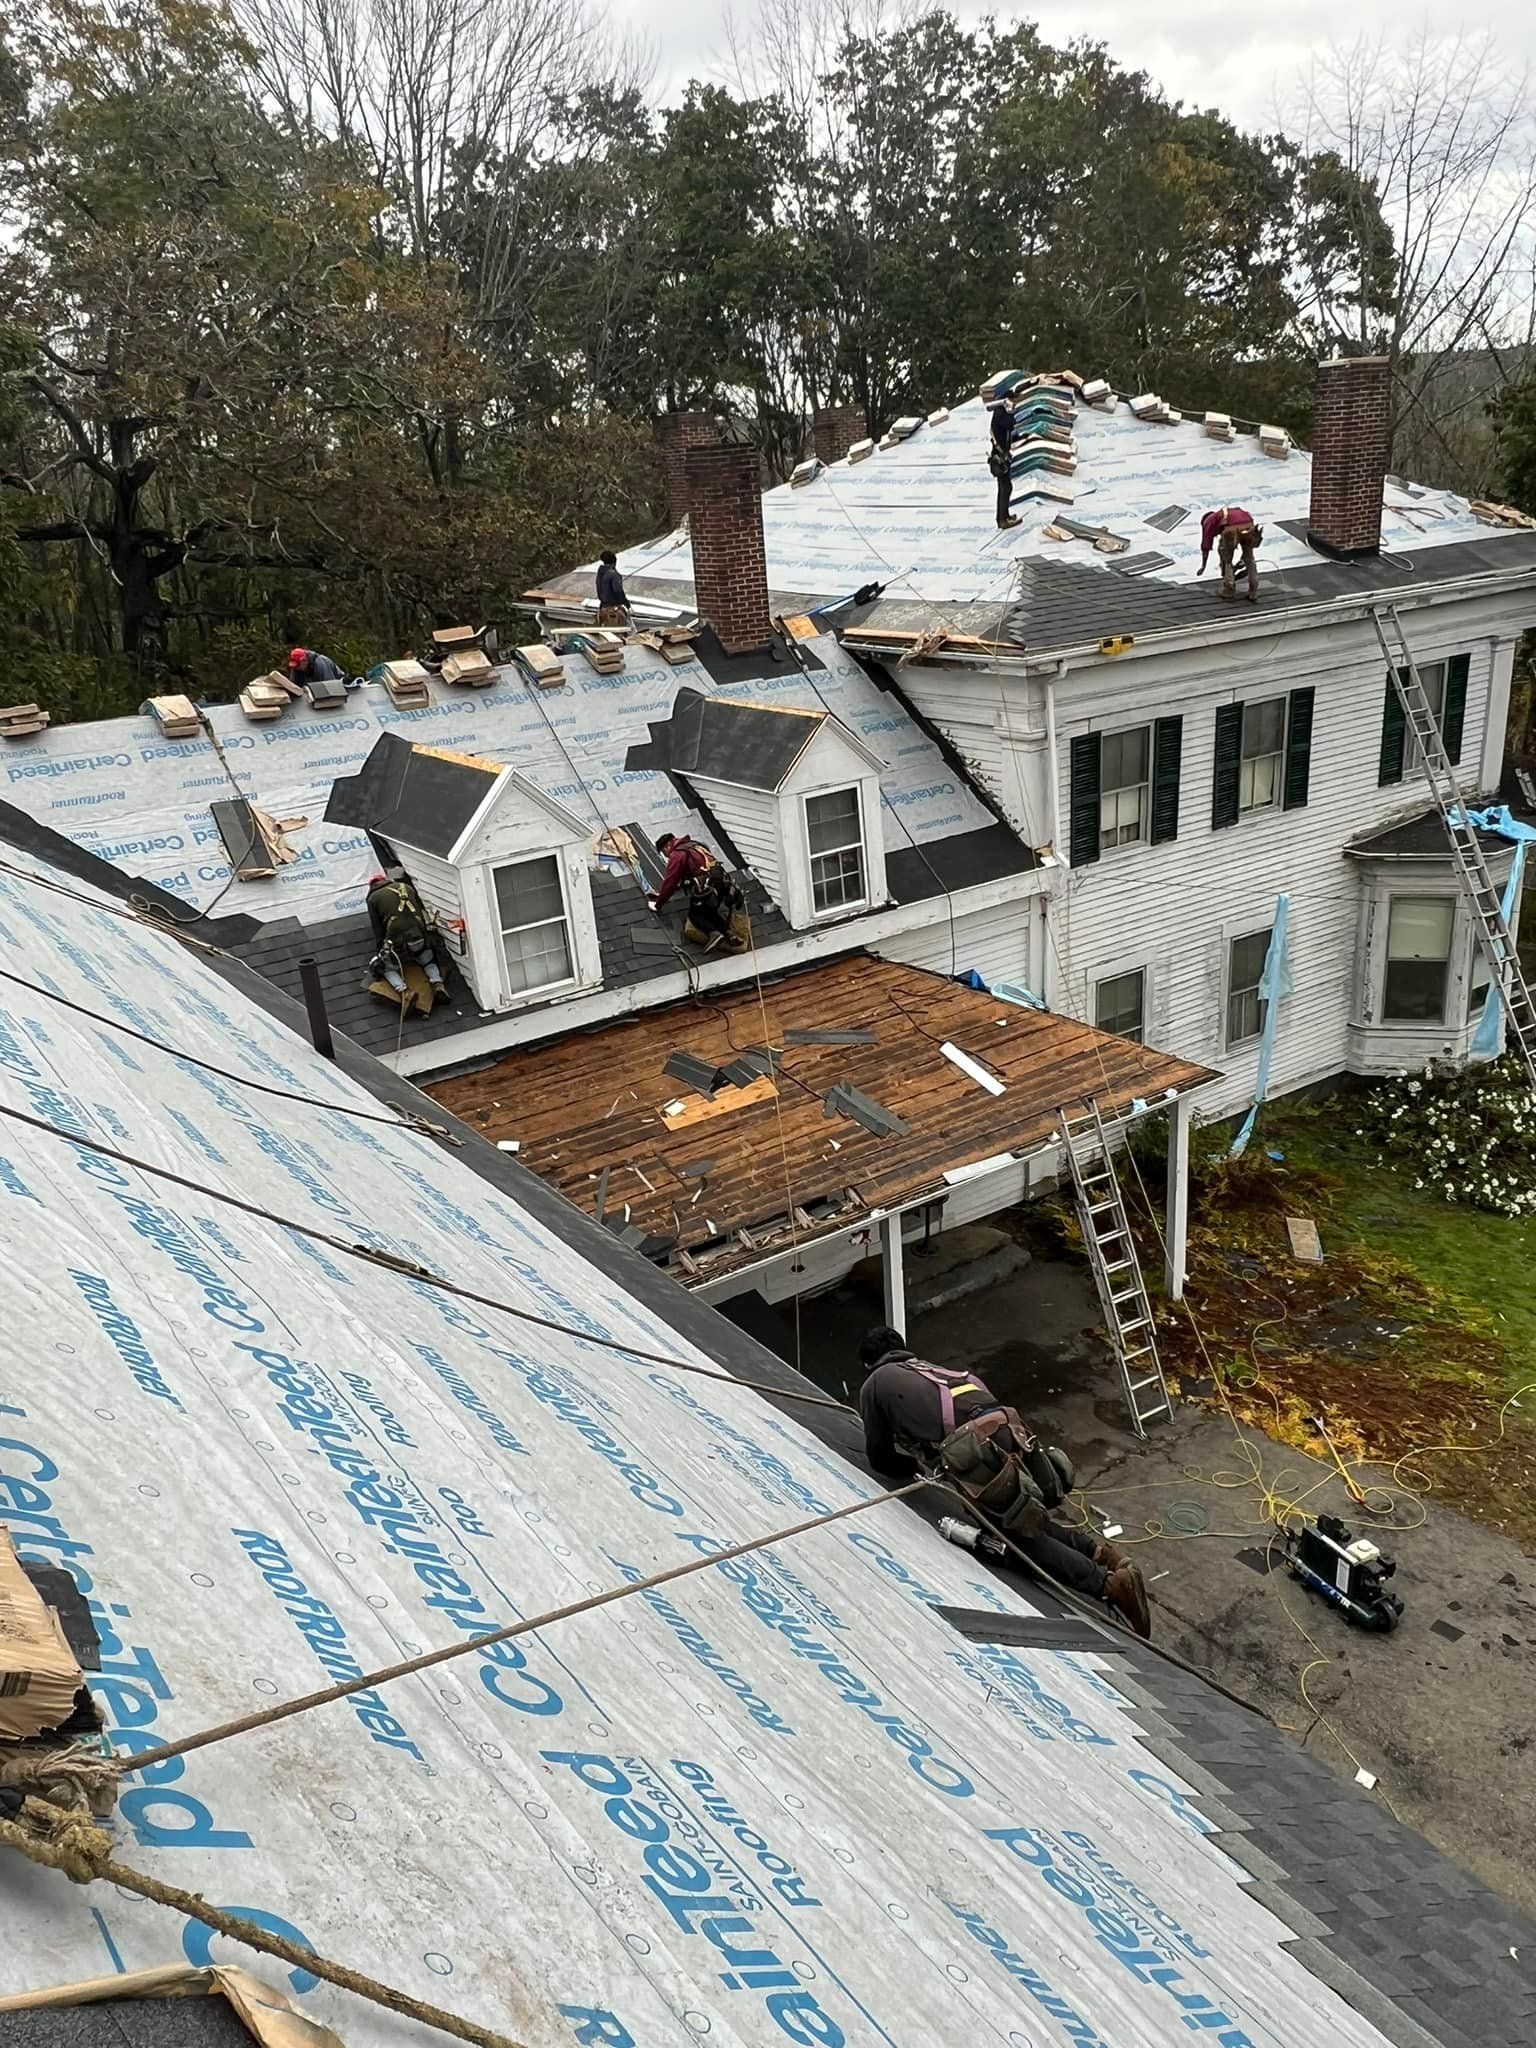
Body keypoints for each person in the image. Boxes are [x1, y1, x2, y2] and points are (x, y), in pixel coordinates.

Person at [855, 1325, 1152, 1636]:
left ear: (868, 1363)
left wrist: (915, 1465)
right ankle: (1102, 1554)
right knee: (1024, 1514)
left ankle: (1109, 1586)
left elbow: (880, 1457)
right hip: (1010, 1430)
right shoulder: (933, 1371)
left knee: (1015, 1535)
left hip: (980, 1451)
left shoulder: (875, 1383)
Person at [647, 832, 747, 953]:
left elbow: (671, 881)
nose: (667, 857)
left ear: (667, 846)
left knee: (695, 916)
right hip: (722, 886)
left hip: (706, 889)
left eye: (664, 853)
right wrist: (660, 893)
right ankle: (729, 934)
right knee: (709, 912)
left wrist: (658, 904)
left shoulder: (677, 855)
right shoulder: (695, 845)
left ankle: (714, 934)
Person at [365, 872, 446, 1001]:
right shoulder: (406, 887)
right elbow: (420, 911)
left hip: (396, 941)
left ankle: (405, 992)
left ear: (372, 886)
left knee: (387, 968)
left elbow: (378, 928)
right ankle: (437, 983)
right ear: (386, 880)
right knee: (427, 960)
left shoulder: (373, 898)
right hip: (418, 934)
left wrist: (381, 951)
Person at [1197, 506, 1263, 603]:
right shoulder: (1222, 515)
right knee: (1249, 557)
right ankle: (1253, 591)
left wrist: (1203, 565)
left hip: (1231, 528)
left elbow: (1205, 546)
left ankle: (1229, 590)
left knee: (1226, 559)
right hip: (1249, 524)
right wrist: (1243, 559)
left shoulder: (1208, 522)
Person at [988, 394, 1021, 531]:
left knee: (1006, 487)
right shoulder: (1000, 413)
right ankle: (1002, 519)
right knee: (1005, 488)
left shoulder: (1000, 413)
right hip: (999, 457)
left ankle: (1005, 516)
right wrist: (1010, 411)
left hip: (1003, 455)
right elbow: (1010, 423)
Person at [595, 551, 631, 627]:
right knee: (627, 630)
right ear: (615, 562)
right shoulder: (614, 575)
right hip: (614, 611)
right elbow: (618, 590)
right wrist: (626, 603)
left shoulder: (600, 574)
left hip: (603, 609)